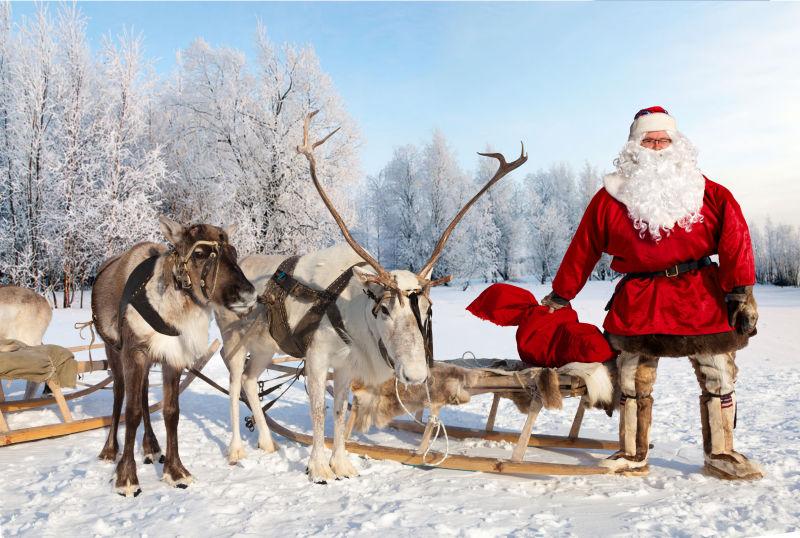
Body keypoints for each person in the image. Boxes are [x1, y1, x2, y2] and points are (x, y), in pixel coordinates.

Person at [541, 106, 762, 479]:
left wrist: (741, 291)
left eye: (664, 140)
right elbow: (583, 247)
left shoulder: (709, 193)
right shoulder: (611, 198)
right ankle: (632, 452)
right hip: (641, 299)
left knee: (720, 375)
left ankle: (722, 453)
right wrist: (561, 294)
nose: (657, 147)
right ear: (634, 147)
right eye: (649, 140)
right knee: (630, 379)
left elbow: (736, 238)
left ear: (677, 145)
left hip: (700, 295)